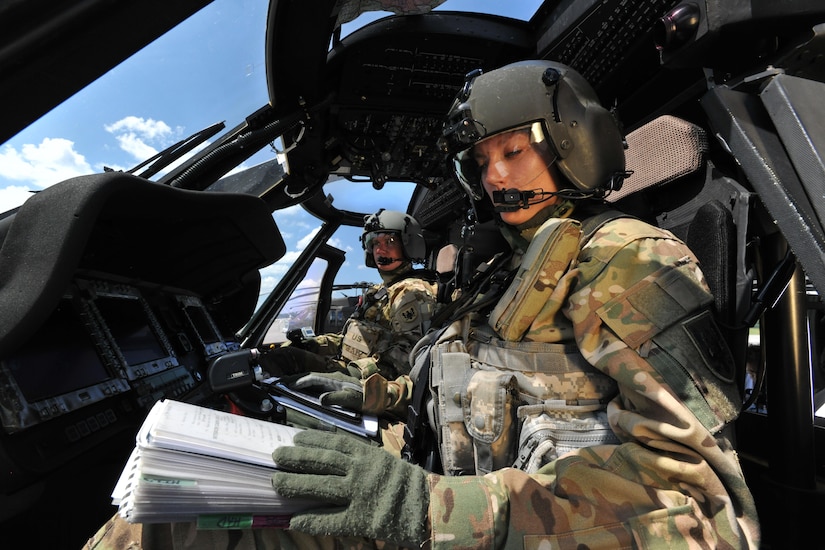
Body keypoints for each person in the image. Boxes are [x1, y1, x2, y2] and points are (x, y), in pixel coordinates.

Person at [86, 61, 760, 549]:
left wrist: (424, 507)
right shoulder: (504, 273)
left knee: (178, 525)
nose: (494, 176)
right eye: (481, 159)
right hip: (439, 497)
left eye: (513, 151)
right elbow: (470, 392)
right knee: (178, 501)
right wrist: (376, 397)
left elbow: (699, 502)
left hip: (477, 522)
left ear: (569, 143)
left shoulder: (625, 260)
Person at [259, 209, 439, 418]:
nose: (380, 250)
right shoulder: (379, 292)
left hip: (370, 379)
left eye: (389, 241)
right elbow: (349, 339)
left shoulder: (411, 292)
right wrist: (315, 344)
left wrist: (351, 373)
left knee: (292, 384)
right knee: (282, 357)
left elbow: (407, 357)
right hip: (350, 368)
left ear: (408, 244)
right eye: (375, 243)